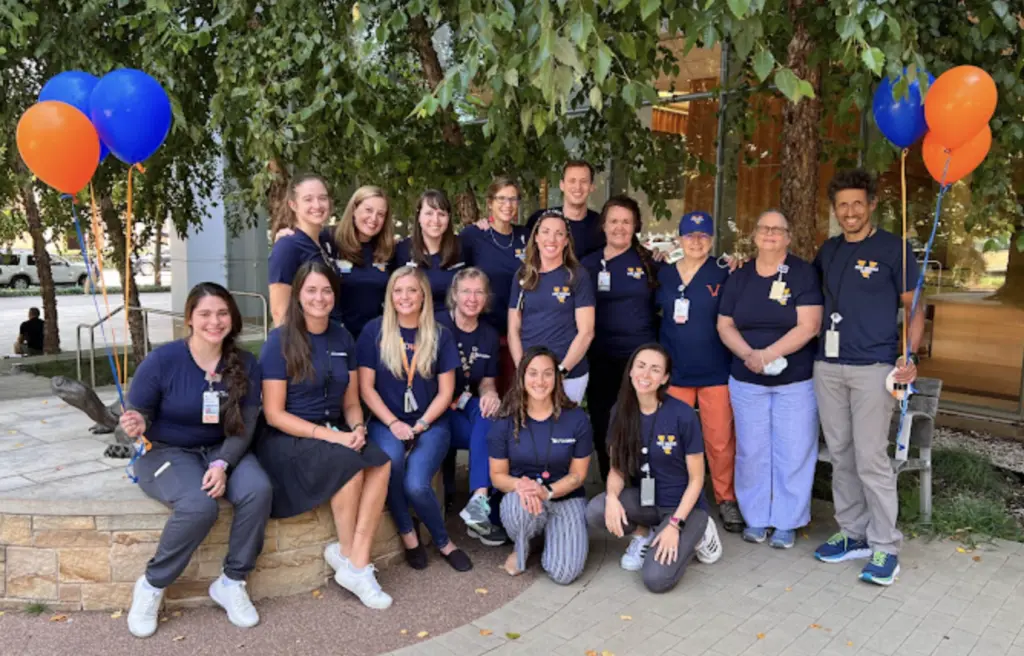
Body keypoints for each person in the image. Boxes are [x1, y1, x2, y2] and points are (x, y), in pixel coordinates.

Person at [120, 283, 272, 638]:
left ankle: (232, 581)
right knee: (199, 506)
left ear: (232, 318)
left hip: (221, 449)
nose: (214, 321)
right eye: (204, 314)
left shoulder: (246, 363)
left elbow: (245, 426)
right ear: (189, 318)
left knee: (258, 490)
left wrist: (222, 464)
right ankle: (152, 585)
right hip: (166, 451)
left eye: (222, 313)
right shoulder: (163, 360)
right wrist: (137, 422)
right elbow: (139, 412)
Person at [257, 261, 393, 609]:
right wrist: (333, 438)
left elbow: (350, 403)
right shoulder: (279, 341)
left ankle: (354, 558)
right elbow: (274, 414)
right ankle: (354, 562)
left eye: (327, 290)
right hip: (287, 438)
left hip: (334, 431)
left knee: (381, 462)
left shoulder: (342, 336)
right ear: (298, 295)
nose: (320, 298)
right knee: (347, 464)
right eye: (312, 290)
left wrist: (358, 426)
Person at [811, 169, 923, 586]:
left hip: (875, 368)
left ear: (872, 204)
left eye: (858, 203)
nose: (851, 211)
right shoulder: (829, 250)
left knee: (871, 458)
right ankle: (853, 533)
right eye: (843, 205)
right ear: (835, 210)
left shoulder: (894, 248)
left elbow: (914, 307)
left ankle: (885, 545)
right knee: (841, 453)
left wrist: (908, 355)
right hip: (829, 365)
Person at [717, 210, 823, 549]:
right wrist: (749, 354)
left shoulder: (803, 274)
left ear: (789, 237)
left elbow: (809, 325)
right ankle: (756, 517)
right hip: (747, 380)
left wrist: (768, 355)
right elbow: (724, 324)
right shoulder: (740, 277)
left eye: (778, 229)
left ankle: (788, 521)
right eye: (764, 228)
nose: (771, 234)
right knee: (752, 451)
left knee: (794, 451)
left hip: (795, 381)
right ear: (754, 234)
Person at [357, 266, 473, 572]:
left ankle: (444, 542)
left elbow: (446, 392)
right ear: (390, 296)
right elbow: (366, 388)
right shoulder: (374, 331)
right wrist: (393, 423)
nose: (404, 297)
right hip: (386, 421)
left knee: (417, 485)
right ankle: (410, 537)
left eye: (412, 290)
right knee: (391, 466)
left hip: (430, 422)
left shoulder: (440, 335)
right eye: (398, 290)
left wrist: (421, 424)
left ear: (423, 295)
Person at [585, 344, 722, 593]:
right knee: (597, 509)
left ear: (665, 378)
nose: (645, 375)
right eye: (641, 366)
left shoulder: (682, 415)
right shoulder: (620, 412)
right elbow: (617, 469)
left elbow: (696, 479)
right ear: (630, 371)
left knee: (656, 579)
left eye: (655, 369)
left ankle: (700, 534)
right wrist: (613, 497)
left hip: (684, 508)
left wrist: (674, 524)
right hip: (647, 502)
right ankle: (645, 533)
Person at [656, 212, 743, 533]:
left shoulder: (725, 271)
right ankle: (675, 497)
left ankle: (726, 498)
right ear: (679, 238)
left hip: (715, 371)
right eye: (690, 235)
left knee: (720, 441)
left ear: (712, 240)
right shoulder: (663, 273)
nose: (696, 241)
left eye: (703, 236)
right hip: (675, 372)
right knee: (672, 440)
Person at [488, 346, 593, 584]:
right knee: (517, 507)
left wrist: (548, 492)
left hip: (564, 498)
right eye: (533, 373)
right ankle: (524, 543)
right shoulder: (505, 419)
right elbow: (497, 476)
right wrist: (522, 485)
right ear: (522, 377)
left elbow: (578, 475)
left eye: (547, 373)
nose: (540, 381)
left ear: (557, 378)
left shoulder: (576, 419)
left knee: (564, 573)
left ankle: (555, 537)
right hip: (524, 498)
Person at [580, 196, 659, 480]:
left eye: (626, 221)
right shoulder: (587, 265)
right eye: (613, 221)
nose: (619, 227)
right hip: (600, 358)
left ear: (636, 225)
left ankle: (640, 488)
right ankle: (611, 486)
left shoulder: (649, 262)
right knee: (603, 424)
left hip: (639, 362)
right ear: (603, 225)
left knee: (639, 425)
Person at [435, 267, 507, 546]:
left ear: (486, 297)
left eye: (479, 292)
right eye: (466, 291)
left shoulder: (488, 334)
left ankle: (478, 499)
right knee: (487, 430)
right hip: (436, 409)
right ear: (454, 294)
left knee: (487, 412)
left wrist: (492, 395)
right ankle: (481, 501)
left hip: (465, 407)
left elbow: (487, 382)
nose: (472, 298)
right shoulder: (437, 324)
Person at [508, 212, 596, 404]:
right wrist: (523, 370)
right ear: (536, 237)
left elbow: (586, 332)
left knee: (563, 431)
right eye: (546, 232)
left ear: (566, 241)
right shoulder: (523, 275)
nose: (551, 239)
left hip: (569, 374)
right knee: (531, 432)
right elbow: (513, 330)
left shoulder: (577, 276)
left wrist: (561, 371)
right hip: (531, 376)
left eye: (559, 233)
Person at [459, 175, 530, 390]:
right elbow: (461, 279)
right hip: (484, 330)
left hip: (519, 331)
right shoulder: (473, 235)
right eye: (501, 199)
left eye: (513, 199)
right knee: (485, 392)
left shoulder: (525, 237)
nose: (507, 205)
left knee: (515, 390)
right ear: (490, 203)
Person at [267, 174, 344, 327]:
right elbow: (279, 311)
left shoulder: (325, 241)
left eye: (322, 198)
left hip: (331, 336)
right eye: (308, 199)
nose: (317, 205)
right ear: (293, 205)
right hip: (304, 342)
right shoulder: (287, 247)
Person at [330, 185, 396, 338]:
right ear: (354, 209)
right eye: (368, 210)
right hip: (336, 338)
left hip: (376, 338)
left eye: (381, 214)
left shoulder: (388, 250)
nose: (373, 219)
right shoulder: (329, 240)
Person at [395, 190, 466, 310]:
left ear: (448, 218)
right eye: (429, 213)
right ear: (418, 217)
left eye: (441, 214)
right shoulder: (401, 251)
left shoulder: (463, 247)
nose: (436, 220)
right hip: (415, 323)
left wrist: (488, 220)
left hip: (453, 324)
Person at [525, 160, 605, 259]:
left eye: (583, 181)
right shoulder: (540, 219)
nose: (578, 187)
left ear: (591, 186)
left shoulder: (601, 225)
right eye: (572, 181)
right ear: (561, 185)